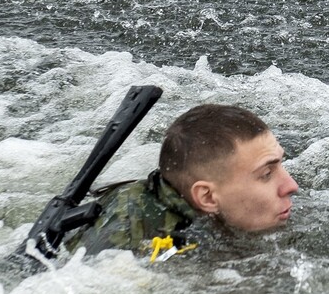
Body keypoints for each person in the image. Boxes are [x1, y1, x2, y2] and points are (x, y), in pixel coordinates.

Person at [67, 104, 299, 260]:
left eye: (281, 164)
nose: (291, 186)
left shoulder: (181, 200)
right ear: (207, 197)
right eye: (266, 174)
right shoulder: (133, 251)